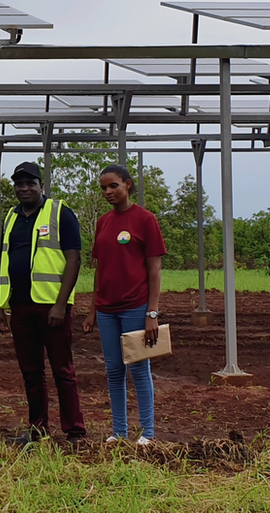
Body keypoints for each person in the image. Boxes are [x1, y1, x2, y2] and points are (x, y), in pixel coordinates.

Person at [0, 162, 87, 446]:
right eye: (19, 184)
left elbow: (74, 258)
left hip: (51, 308)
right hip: (20, 307)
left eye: (30, 183)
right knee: (31, 372)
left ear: (41, 185)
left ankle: (75, 431)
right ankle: (38, 430)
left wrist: (61, 305)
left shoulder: (60, 212)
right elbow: (3, 261)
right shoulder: (11, 217)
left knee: (63, 371)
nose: (24, 188)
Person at [82, 164, 166, 446]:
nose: (108, 192)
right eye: (103, 188)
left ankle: (148, 432)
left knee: (139, 367)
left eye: (113, 186)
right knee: (114, 369)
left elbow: (154, 270)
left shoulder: (145, 220)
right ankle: (119, 431)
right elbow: (99, 268)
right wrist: (93, 309)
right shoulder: (103, 222)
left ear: (127, 185)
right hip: (107, 309)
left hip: (135, 306)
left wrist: (151, 313)